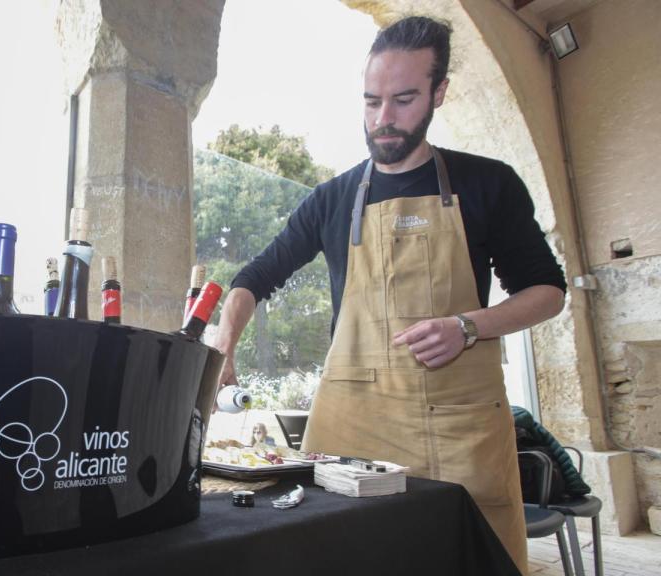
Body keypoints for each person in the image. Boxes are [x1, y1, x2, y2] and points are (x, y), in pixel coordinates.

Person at [214, 16, 565, 575]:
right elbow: (254, 276)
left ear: (438, 93)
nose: (383, 119)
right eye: (372, 100)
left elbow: (548, 292)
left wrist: (467, 326)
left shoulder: (488, 183)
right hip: (352, 425)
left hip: (458, 425)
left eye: (403, 100)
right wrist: (224, 342)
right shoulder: (330, 200)